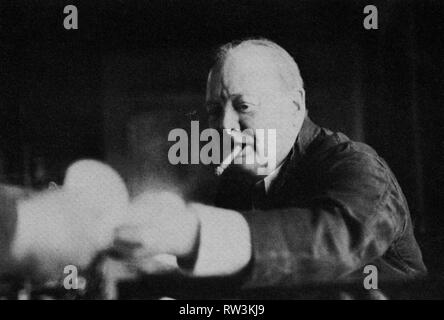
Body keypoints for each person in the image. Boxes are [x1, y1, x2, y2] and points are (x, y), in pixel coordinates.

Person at [0, 38, 426, 291]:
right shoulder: (240, 181)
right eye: (213, 110)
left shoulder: (357, 166)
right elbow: (228, 271)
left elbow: (337, 241)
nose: (224, 126)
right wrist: (149, 255)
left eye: (243, 106)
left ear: (295, 105)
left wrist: (190, 232)